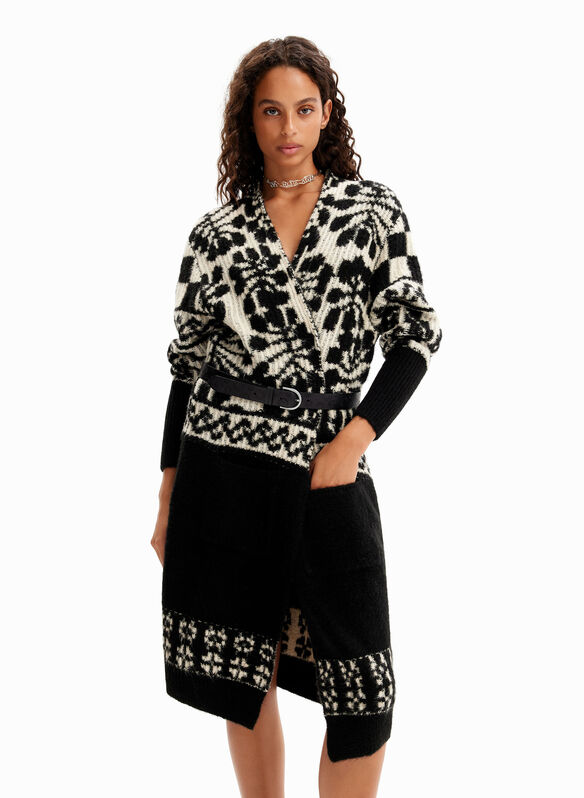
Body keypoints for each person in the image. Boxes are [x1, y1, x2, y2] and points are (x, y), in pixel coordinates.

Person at [151, 35, 442, 798]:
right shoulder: (216, 235)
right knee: (241, 676)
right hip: (223, 471)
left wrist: (353, 440)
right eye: (271, 111)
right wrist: (168, 494)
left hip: (325, 468)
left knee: (363, 697)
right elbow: (187, 369)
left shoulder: (370, 211)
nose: (288, 128)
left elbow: (414, 339)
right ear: (248, 121)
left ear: (328, 114)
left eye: (304, 109)